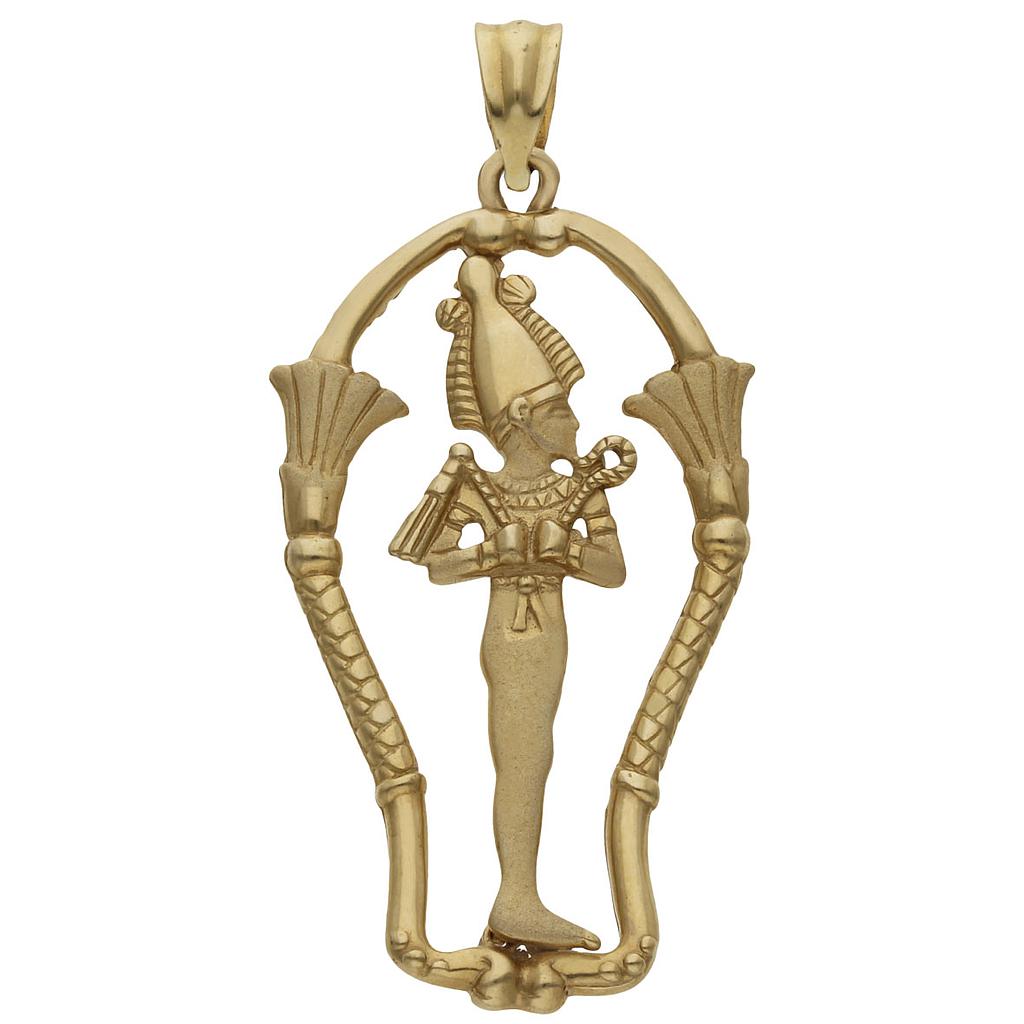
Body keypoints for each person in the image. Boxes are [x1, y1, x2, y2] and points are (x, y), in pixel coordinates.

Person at [391, 255, 627, 951]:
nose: (575, 421)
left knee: (537, 753)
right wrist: (495, 556)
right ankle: (516, 895)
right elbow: (437, 566)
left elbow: (614, 570)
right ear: (523, 418)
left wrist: (568, 551)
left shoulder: (579, 488)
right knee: (519, 754)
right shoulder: (478, 488)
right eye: (560, 410)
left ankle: (519, 894)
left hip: (548, 634)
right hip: (509, 633)